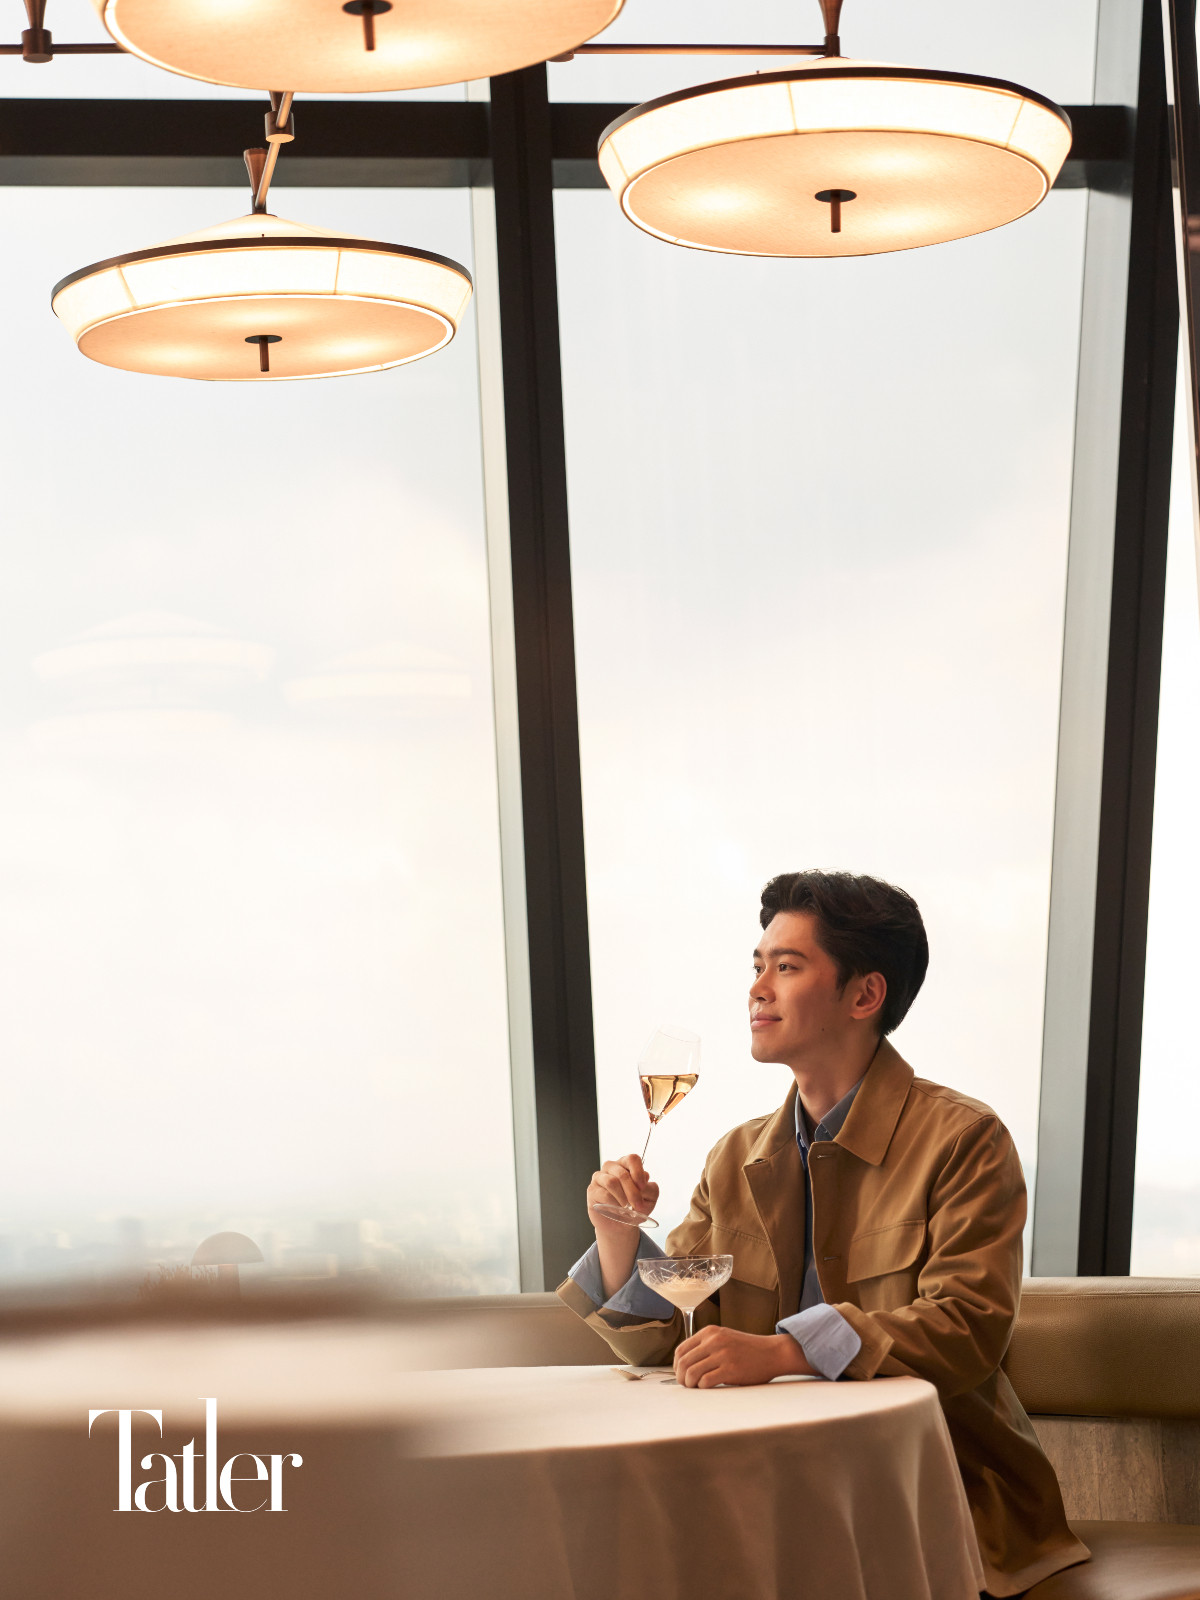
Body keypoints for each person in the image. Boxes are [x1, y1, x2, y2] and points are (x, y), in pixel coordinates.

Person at [557, 869, 1089, 1598]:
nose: (757, 987)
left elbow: (967, 1327)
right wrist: (618, 1236)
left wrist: (783, 1351)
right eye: (757, 966)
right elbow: (684, 1339)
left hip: (935, 1500)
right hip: (754, 1491)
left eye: (787, 966)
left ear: (865, 995)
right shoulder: (734, 1155)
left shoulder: (965, 1140)